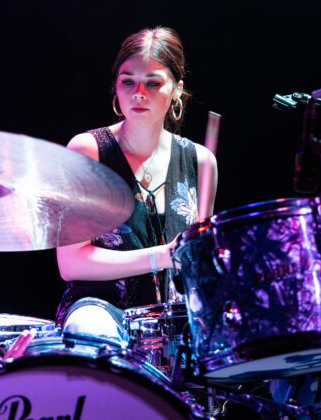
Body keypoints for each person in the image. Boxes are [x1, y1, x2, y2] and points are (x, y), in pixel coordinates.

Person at [55, 27, 218, 341]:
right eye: (128, 81)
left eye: (153, 83)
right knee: (91, 328)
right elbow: (71, 263)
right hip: (101, 310)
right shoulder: (88, 150)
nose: (139, 93)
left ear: (177, 90)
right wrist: (162, 256)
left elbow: (198, 268)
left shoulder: (201, 161)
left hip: (173, 322)